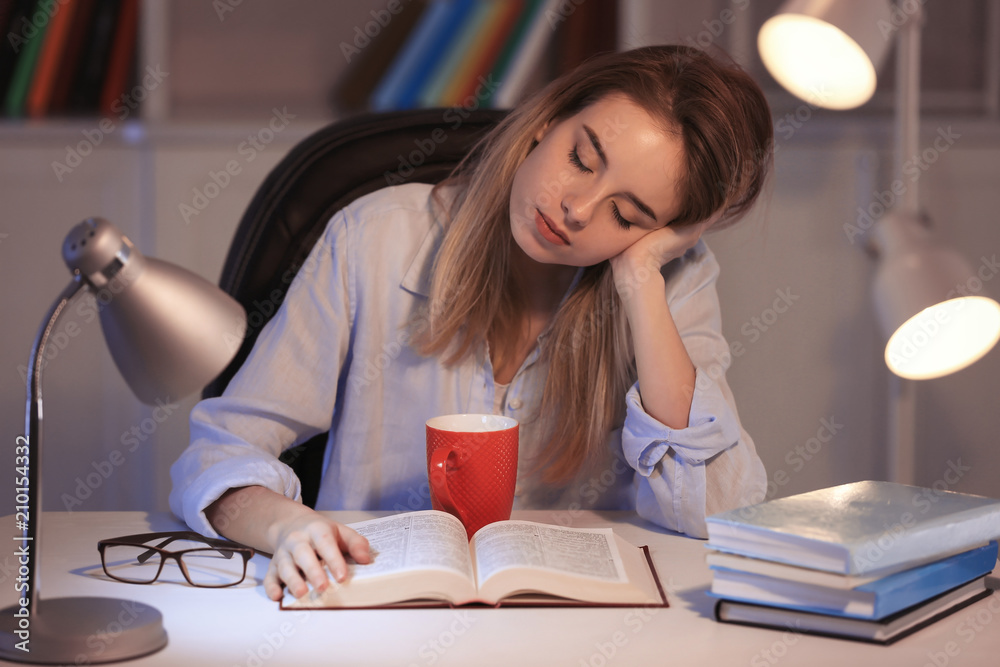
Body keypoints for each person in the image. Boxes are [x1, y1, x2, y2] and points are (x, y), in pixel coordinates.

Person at [169, 45, 773, 602]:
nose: (578, 209)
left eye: (625, 214)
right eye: (580, 159)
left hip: (576, 636)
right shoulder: (376, 238)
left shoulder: (672, 283)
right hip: (377, 623)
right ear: (546, 121)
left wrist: (640, 280)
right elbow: (221, 452)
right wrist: (287, 526)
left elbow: (714, 508)